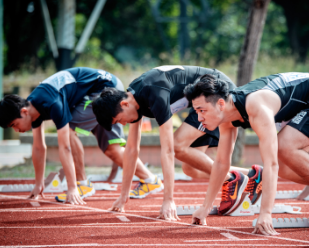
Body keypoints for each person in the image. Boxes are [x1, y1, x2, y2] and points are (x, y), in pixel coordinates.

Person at [184, 72, 309, 234]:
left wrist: (266, 214)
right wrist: (205, 207)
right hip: (306, 104)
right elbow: (222, 163)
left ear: (221, 104)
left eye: (202, 111)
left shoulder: (255, 106)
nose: (199, 118)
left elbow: (271, 163)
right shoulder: (226, 118)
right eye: (197, 111)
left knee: (282, 148)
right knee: (287, 169)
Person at [92, 65, 258, 220]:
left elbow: (168, 150)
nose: (122, 124)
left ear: (124, 104)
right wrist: (123, 195)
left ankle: (232, 180)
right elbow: (131, 150)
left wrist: (169, 200)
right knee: (190, 168)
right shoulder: (134, 99)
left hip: (215, 93)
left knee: (177, 146)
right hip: (199, 103)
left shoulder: (154, 93)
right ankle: (252, 176)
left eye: (119, 120)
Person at [0, 67, 153, 204]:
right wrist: (38, 184)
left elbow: (65, 147)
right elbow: (39, 147)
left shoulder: (52, 103)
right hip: (102, 89)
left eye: (14, 125)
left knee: (67, 129)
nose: (16, 130)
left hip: (105, 90)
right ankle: (150, 180)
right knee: (112, 149)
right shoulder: (33, 109)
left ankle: (82, 184)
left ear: (24, 112)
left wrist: (72, 188)